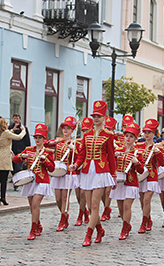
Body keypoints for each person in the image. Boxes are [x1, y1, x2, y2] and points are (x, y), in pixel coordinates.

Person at [70, 101, 117, 247]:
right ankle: (99, 229)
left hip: (101, 171)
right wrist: (76, 165)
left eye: (99, 116)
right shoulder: (87, 134)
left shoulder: (109, 135)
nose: (96, 118)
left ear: (104, 117)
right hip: (86, 171)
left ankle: (88, 235)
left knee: (95, 204)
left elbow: (110, 156)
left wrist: (114, 175)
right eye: (94, 116)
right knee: (90, 206)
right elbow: (82, 153)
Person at [14, 124, 55, 240]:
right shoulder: (29, 149)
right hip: (30, 181)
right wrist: (22, 156)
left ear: (44, 139)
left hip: (42, 181)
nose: (37, 140)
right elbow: (15, 159)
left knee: (35, 204)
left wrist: (45, 161)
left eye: (40, 138)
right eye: (36, 137)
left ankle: (33, 230)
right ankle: (38, 224)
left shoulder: (48, 152)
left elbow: (52, 168)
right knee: (32, 206)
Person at [110, 122, 144, 240]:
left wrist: (137, 162)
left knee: (126, 206)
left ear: (135, 138)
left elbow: (141, 170)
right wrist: (114, 157)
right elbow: (112, 165)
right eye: (127, 136)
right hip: (119, 182)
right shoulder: (118, 149)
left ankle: (124, 230)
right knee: (120, 207)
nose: (128, 138)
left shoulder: (138, 151)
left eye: (131, 136)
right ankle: (127, 224)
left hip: (131, 182)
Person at [45, 116, 78, 231]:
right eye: (64, 128)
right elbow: (45, 145)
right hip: (57, 172)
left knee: (65, 197)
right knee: (58, 199)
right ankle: (65, 214)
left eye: (68, 128)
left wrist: (74, 149)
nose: (66, 130)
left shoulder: (74, 142)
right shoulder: (58, 141)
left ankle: (62, 219)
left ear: (72, 130)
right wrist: (53, 141)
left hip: (68, 172)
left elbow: (79, 157)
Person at [0, 117, 26, 205]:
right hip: (4, 158)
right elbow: (19, 137)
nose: (8, 125)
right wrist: (23, 130)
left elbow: (7, 135)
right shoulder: (6, 133)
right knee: (4, 179)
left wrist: (12, 130)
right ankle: (2, 197)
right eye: (6, 124)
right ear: (4, 125)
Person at [136, 119, 164, 233]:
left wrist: (158, 153)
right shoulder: (138, 145)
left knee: (147, 200)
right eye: (145, 132)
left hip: (152, 176)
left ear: (154, 134)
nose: (147, 135)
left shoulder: (157, 147)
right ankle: (149, 219)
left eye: (149, 133)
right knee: (142, 200)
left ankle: (143, 223)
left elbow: (162, 163)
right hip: (140, 175)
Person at [99, 116, 119, 221]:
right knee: (102, 191)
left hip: (112, 166)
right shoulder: (101, 137)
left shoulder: (116, 140)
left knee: (108, 191)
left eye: (110, 129)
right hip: (102, 166)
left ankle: (106, 210)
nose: (108, 130)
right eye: (107, 128)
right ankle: (106, 206)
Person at [9, 114, 31, 190]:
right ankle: (15, 177)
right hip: (12, 150)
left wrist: (28, 148)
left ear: (20, 119)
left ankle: (17, 182)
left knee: (18, 167)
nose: (15, 120)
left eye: (17, 118)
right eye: (14, 118)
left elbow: (27, 139)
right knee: (12, 167)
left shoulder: (24, 128)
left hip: (21, 150)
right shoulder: (10, 128)